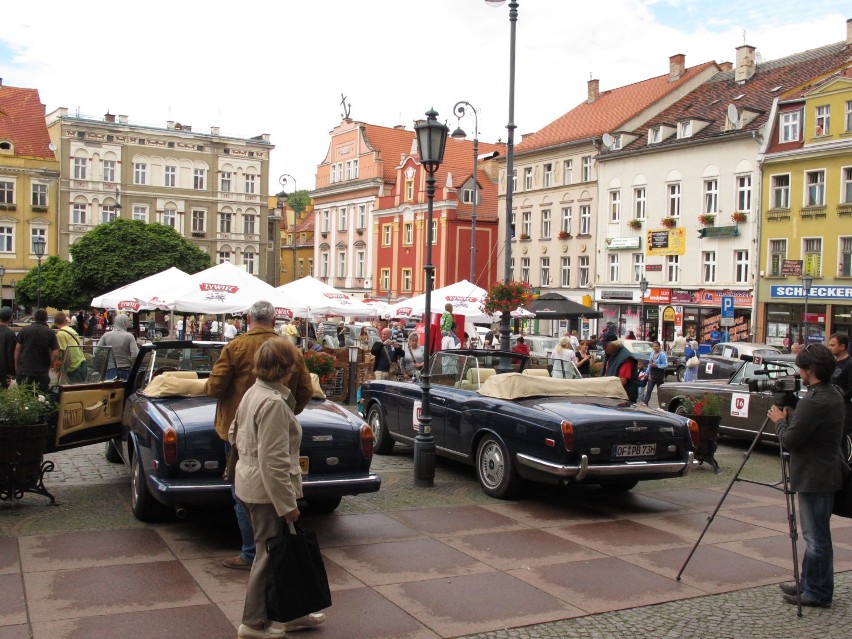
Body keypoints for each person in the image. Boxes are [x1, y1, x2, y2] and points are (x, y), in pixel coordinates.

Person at [206, 300, 313, 572]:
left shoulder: (235, 346)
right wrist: (288, 412)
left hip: (237, 429)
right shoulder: (288, 349)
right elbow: (305, 390)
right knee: (270, 487)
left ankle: (250, 552)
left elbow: (215, 387)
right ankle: (265, 552)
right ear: (274, 319)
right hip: (273, 424)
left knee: (243, 494)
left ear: (248, 318)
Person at [231, 338, 326, 638]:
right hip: (265, 492)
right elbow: (272, 461)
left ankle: (293, 613)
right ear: (286, 368)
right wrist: (288, 505)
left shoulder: (255, 392)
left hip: (251, 484)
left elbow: (234, 432)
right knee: (269, 553)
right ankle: (254, 623)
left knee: (280, 551)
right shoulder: (272, 402)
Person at [768, 343, 849, 608]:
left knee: (816, 538)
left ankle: (817, 591)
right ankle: (808, 583)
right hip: (826, 471)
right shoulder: (831, 393)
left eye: (801, 368)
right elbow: (810, 416)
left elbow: (790, 440)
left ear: (810, 370)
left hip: (816, 476)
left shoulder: (816, 400)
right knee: (815, 535)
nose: (799, 372)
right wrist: (794, 403)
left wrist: (779, 420)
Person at [14, 308, 58, 392]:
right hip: (41, 371)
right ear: (46, 318)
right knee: (41, 396)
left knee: (24, 395)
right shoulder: (50, 332)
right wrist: (50, 366)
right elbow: (55, 353)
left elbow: (17, 348)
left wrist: (16, 365)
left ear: (34, 318)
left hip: (24, 369)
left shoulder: (25, 330)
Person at [828, 332, 852, 459]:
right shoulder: (832, 364)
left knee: (840, 439)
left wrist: (839, 398)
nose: (829, 347)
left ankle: (843, 471)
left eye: (832, 345)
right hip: (832, 407)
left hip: (844, 409)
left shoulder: (849, 364)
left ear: (842, 346)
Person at [98, 314, 139, 381]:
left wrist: (105, 361)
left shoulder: (106, 335)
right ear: (125, 323)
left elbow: (97, 350)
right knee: (125, 390)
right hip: (125, 369)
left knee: (110, 390)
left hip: (110, 369)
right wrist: (130, 363)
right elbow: (135, 354)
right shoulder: (129, 336)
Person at [600, 333, 639, 402]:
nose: (603, 348)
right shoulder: (610, 354)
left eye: (605, 346)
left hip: (623, 398)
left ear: (614, 344)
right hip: (613, 395)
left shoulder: (625, 357)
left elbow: (622, 381)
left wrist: (605, 386)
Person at [54, 311, 88, 384]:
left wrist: (62, 371)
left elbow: (65, 353)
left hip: (74, 367)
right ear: (65, 321)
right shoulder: (72, 330)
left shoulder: (61, 334)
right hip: (82, 362)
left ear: (55, 322)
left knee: (75, 392)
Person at [0, 307, 16, 388]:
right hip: (4, 370)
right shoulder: (10, 334)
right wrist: (13, 372)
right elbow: (10, 354)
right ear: (10, 318)